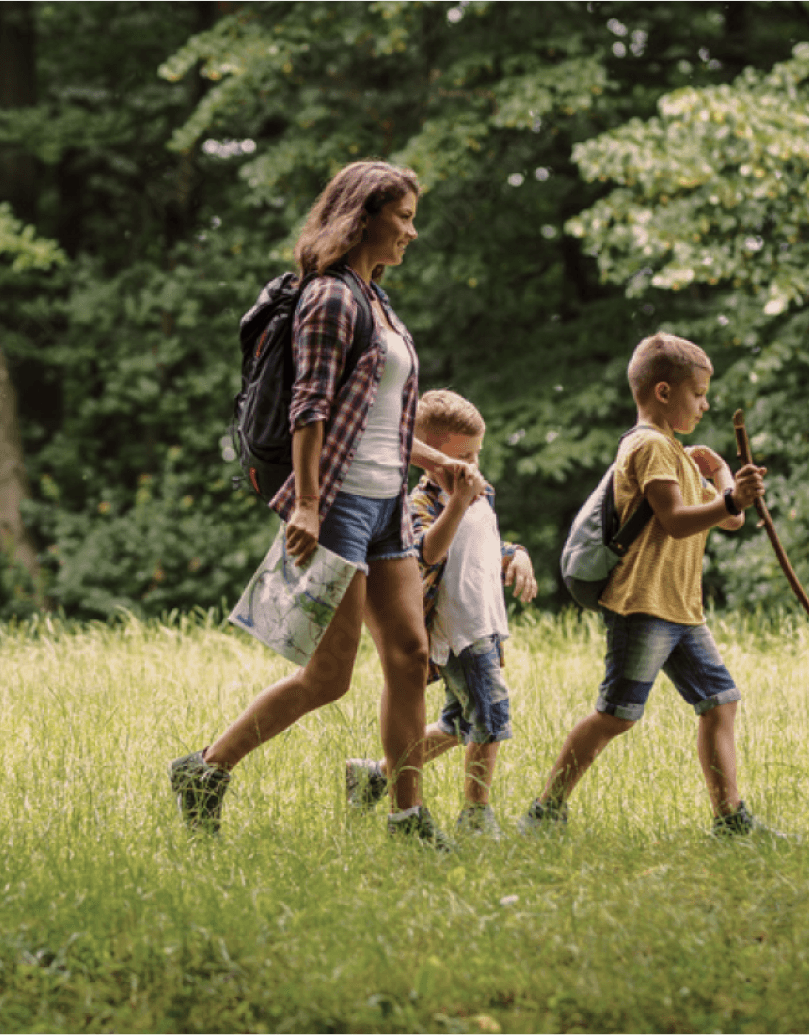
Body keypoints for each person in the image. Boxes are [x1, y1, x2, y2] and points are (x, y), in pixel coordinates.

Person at [170, 160, 477, 849]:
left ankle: (406, 817)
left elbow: (378, 414)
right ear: (362, 214)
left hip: (387, 502)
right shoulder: (331, 298)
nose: (411, 230)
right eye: (401, 216)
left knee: (408, 654)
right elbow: (310, 404)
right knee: (330, 675)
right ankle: (205, 769)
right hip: (335, 502)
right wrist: (306, 502)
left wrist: (435, 460)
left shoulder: (379, 300)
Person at [520, 332, 775, 837]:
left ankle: (730, 820)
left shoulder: (677, 453)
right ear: (663, 392)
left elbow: (731, 522)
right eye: (698, 393)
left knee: (720, 701)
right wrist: (731, 500)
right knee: (616, 714)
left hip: (681, 610)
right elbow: (679, 519)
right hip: (642, 606)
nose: (705, 404)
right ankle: (544, 811)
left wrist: (726, 478)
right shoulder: (650, 447)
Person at [345, 390, 538, 839]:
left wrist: (517, 554)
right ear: (430, 460)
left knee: (458, 722)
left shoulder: (481, 492)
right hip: (455, 629)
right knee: (489, 715)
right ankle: (476, 814)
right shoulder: (418, 504)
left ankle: (374, 774)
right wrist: (457, 501)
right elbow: (427, 553)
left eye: (476, 454)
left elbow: (485, 549)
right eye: (462, 457)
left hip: (485, 622)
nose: (473, 466)